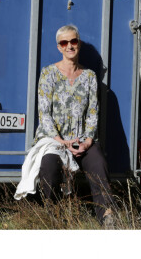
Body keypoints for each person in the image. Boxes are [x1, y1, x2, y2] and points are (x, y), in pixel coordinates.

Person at [32, 24, 115, 225]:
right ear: (59, 47)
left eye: (73, 41)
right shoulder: (48, 73)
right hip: (54, 140)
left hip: (81, 139)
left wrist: (87, 142)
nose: (70, 46)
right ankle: (52, 217)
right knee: (49, 167)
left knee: (99, 163)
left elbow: (93, 113)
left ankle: (107, 218)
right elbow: (44, 113)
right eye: (64, 42)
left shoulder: (89, 76)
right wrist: (62, 142)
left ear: (78, 44)